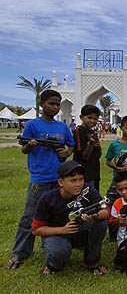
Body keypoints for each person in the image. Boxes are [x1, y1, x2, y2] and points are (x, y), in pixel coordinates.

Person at [4, 89, 75, 270]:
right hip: (39, 178)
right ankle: (19, 253)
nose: (55, 107)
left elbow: (71, 144)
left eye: (58, 104)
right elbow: (24, 149)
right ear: (41, 104)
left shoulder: (62, 127)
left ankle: (56, 247)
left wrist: (66, 153)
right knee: (31, 216)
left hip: (59, 178)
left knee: (59, 214)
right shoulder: (33, 125)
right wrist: (29, 145)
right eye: (51, 103)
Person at [31, 161, 109, 275]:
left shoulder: (88, 189)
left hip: (79, 229)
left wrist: (94, 215)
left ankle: (92, 261)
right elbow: (36, 229)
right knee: (59, 254)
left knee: (100, 223)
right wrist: (62, 230)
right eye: (73, 180)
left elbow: (106, 212)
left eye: (81, 179)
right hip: (56, 232)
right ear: (61, 182)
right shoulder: (47, 199)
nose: (78, 184)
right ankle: (52, 265)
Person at [73, 105, 101, 192]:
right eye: (89, 118)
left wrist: (97, 145)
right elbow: (84, 156)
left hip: (94, 172)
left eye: (95, 119)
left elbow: (98, 154)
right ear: (81, 117)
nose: (92, 121)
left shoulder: (92, 132)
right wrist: (91, 144)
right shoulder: (79, 130)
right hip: (84, 172)